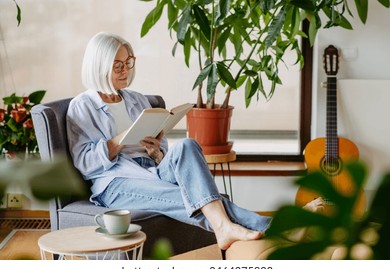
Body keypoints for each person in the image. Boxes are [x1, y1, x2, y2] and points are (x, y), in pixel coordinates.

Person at [66, 32, 324, 251]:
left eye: (128, 62)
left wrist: (157, 152)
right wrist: (120, 140)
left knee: (189, 145)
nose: (125, 71)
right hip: (114, 183)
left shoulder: (136, 99)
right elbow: (85, 163)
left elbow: (161, 148)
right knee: (194, 196)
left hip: (150, 169)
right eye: (117, 65)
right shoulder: (83, 106)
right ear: (99, 66)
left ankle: (230, 228)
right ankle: (273, 227)